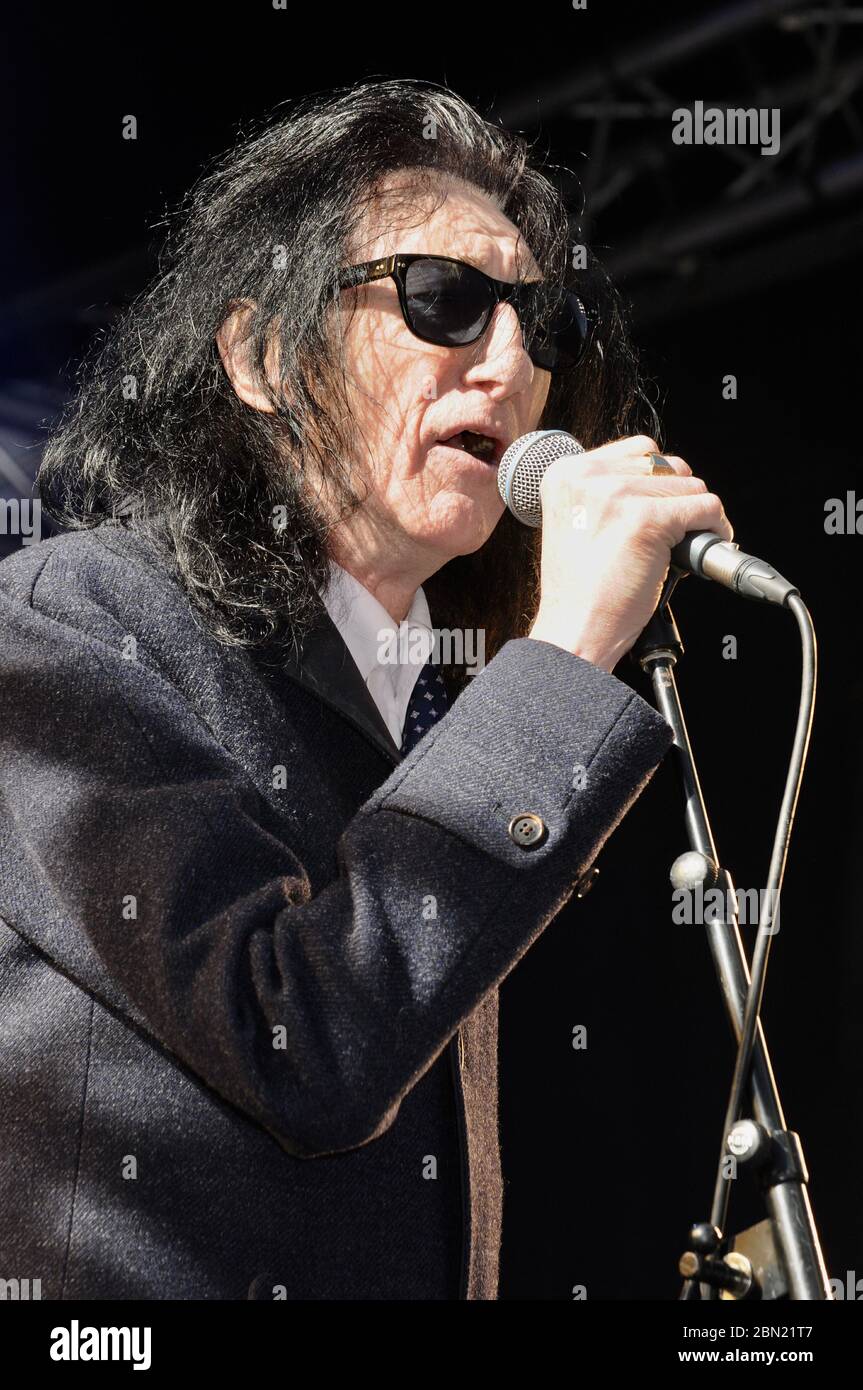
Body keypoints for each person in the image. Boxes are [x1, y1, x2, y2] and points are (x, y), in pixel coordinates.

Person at [0, 79, 732, 1300]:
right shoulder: (72, 618)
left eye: (540, 327)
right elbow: (308, 1045)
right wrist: (562, 657)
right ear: (260, 353)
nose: (506, 365)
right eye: (442, 299)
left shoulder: (445, 703)